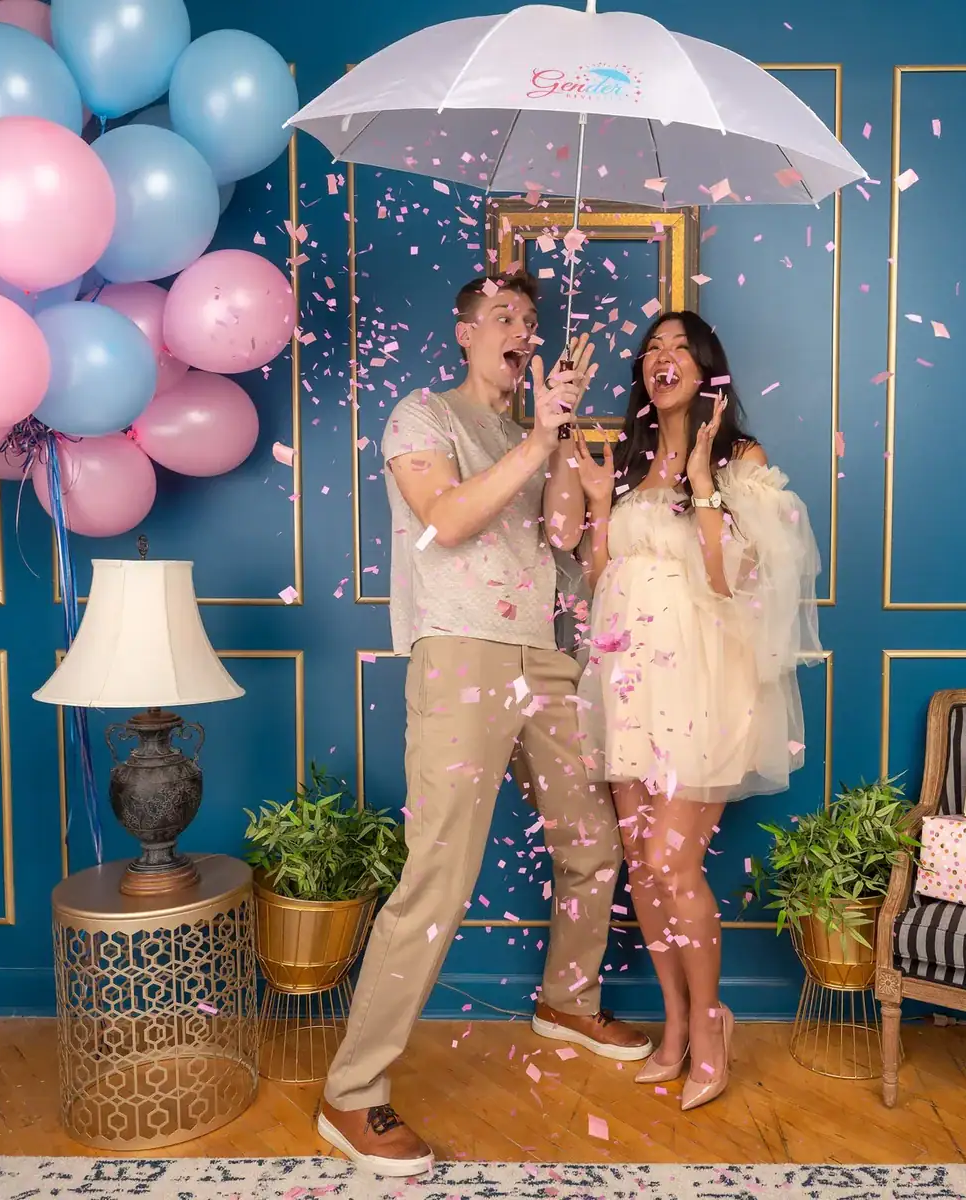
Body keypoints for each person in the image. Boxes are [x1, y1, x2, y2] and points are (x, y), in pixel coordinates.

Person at [317, 273, 652, 1177]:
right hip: (460, 652)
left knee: (593, 843)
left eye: (530, 320)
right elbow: (448, 519)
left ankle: (565, 1000)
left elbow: (561, 542)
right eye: (502, 316)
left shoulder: (532, 428)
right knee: (437, 877)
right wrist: (536, 438)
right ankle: (353, 1093)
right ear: (463, 332)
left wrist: (569, 460)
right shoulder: (419, 417)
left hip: (542, 652)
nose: (520, 328)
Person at [574, 310, 821, 1112]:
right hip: (627, 681)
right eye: (650, 348)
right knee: (642, 864)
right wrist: (592, 506)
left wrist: (708, 483)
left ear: (707, 366)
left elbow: (734, 583)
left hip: (703, 683)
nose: (660, 358)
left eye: (678, 346)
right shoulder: (630, 460)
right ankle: (675, 1025)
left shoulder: (739, 460)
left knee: (676, 863)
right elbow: (597, 579)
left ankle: (712, 1024)